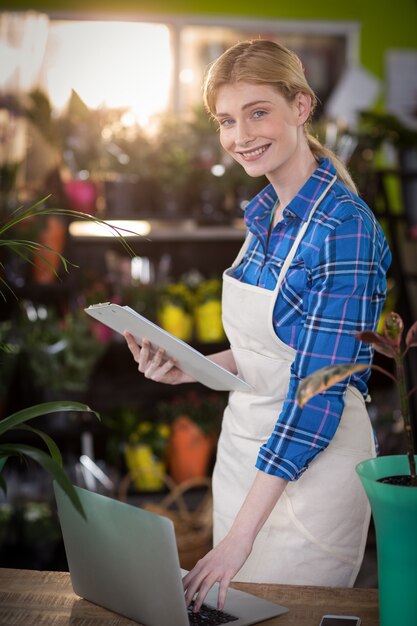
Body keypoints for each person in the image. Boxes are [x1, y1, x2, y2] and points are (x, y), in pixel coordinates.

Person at [123, 39, 391, 611]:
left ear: (301, 106)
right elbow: (265, 353)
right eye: (226, 119)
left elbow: (318, 393)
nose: (240, 135)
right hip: (245, 461)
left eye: (257, 112)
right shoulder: (266, 214)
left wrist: (239, 537)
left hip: (309, 476)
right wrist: (187, 367)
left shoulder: (344, 228)